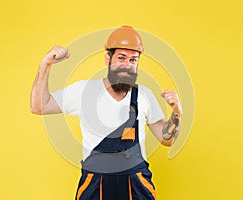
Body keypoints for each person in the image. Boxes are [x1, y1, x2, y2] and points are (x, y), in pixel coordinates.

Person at [30, 25, 182, 200]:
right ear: (107, 59)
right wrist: (46, 64)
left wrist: (177, 112)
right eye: (121, 58)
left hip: (136, 185)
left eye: (133, 60)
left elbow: (167, 140)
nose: (127, 65)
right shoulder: (84, 91)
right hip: (95, 185)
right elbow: (39, 106)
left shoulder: (144, 95)